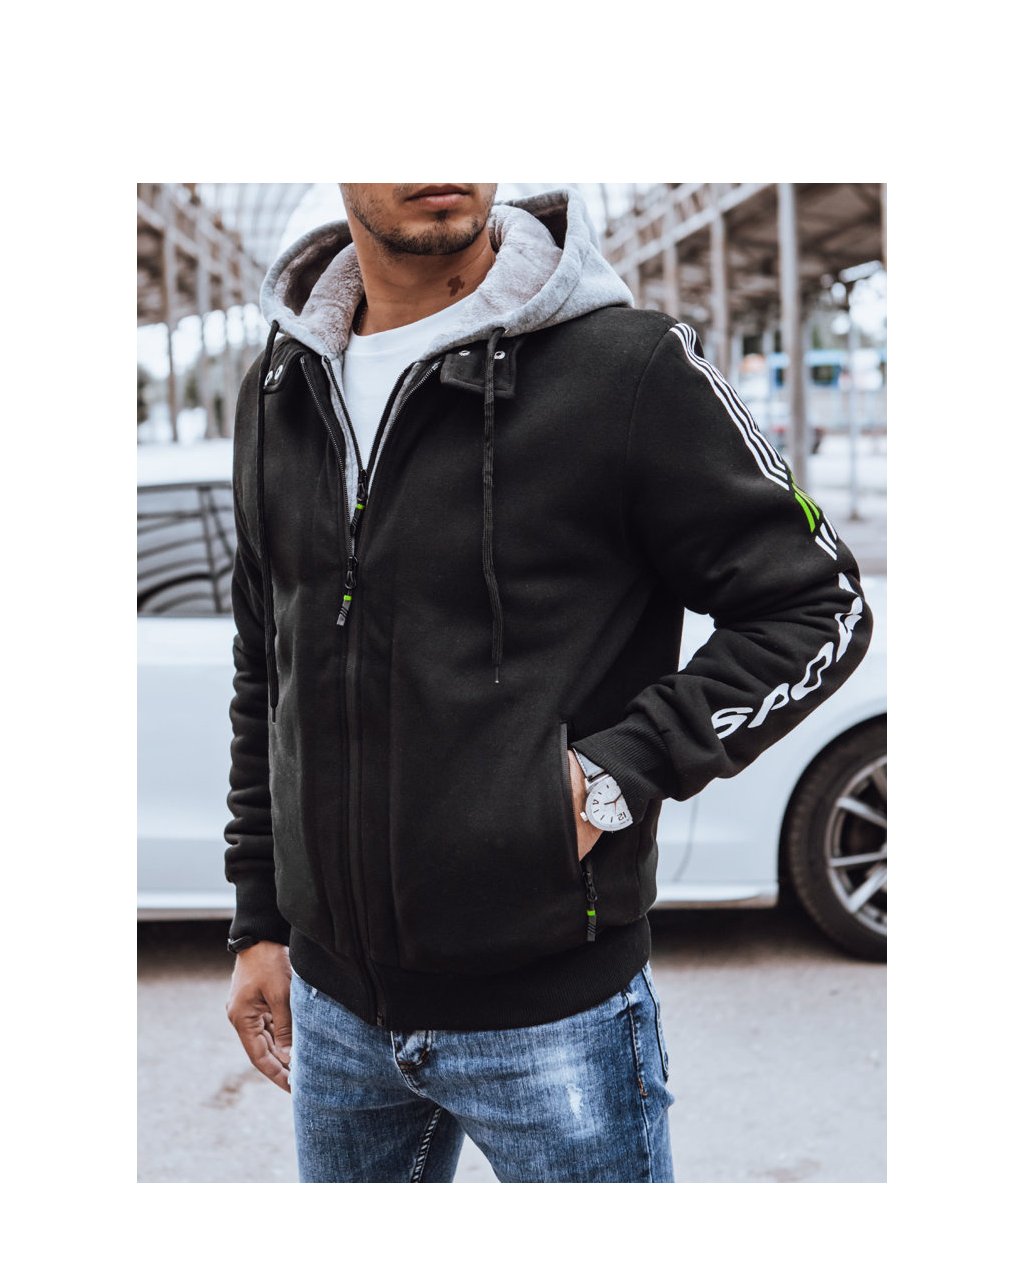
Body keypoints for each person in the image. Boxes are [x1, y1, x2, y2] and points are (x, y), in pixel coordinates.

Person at [223, 183, 873, 1183]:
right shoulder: (280, 387)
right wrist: (260, 921)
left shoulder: (628, 368)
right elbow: (267, 662)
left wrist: (613, 775)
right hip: (334, 1012)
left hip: (553, 1018)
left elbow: (818, 604)